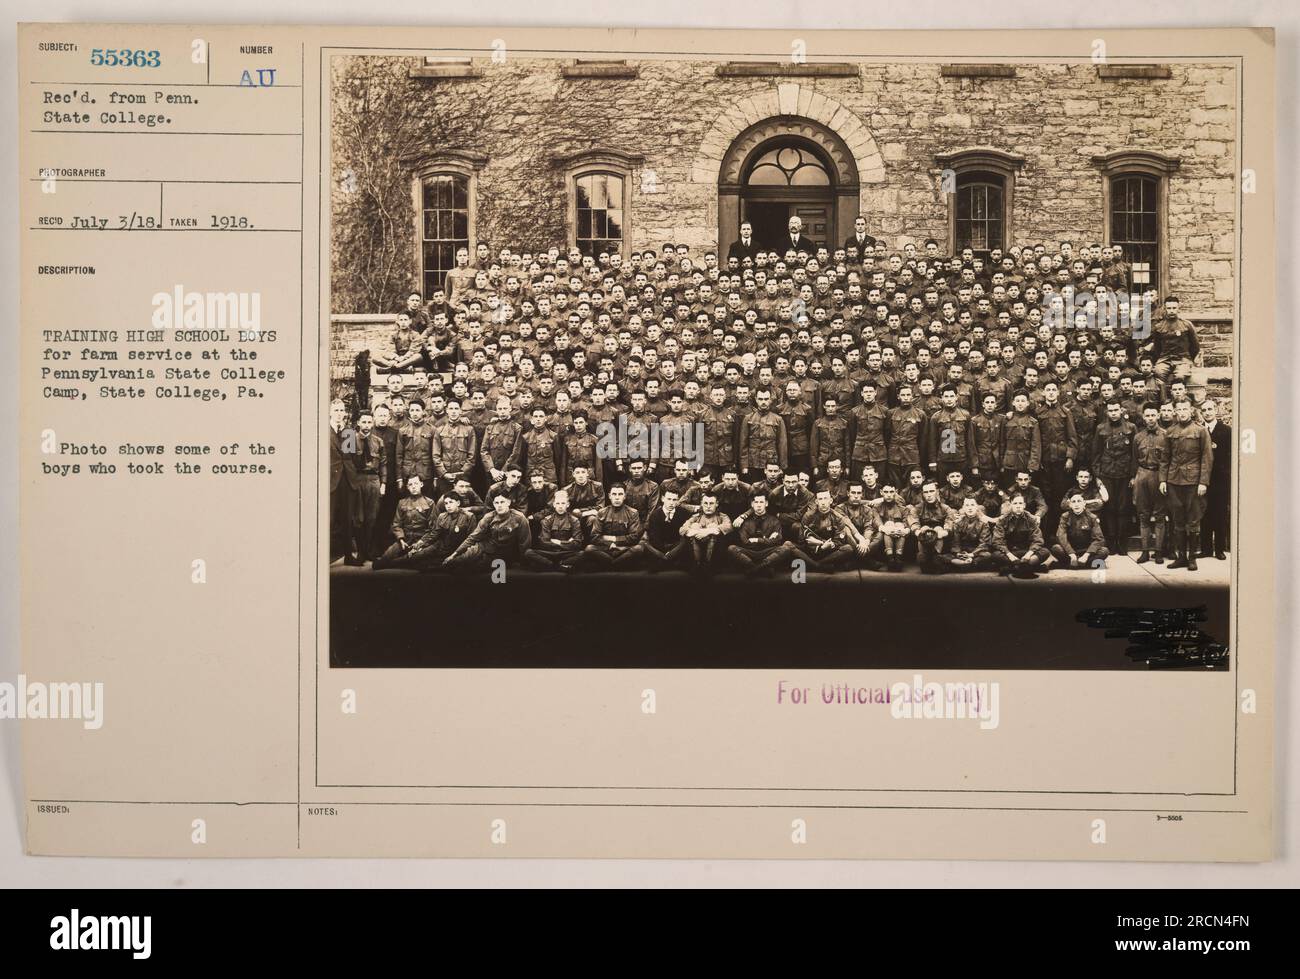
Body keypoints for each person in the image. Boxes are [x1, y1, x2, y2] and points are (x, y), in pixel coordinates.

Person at [1160, 397, 1213, 571]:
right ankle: (1181, 557)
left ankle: (1192, 558)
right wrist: (1162, 480)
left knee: (1193, 521)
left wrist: (1203, 482)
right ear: (1175, 412)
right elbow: (1165, 458)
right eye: (1179, 409)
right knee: (1178, 521)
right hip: (1174, 481)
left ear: (1191, 410)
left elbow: (1207, 459)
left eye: (1185, 409)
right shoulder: (1170, 431)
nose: (1182, 413)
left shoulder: (1201, 431)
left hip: (1193, 482)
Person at [444, 490, 535, 572]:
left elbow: (525, 542)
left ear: (508, 502)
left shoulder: (519, 517)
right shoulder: (489, 516)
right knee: (455, 562)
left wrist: (523, 562)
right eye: (496, 503)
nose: (499, 505)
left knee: (472, 569)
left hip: (502, 553)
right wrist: (454, 554)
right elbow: (473, 537)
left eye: (502, 502)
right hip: (483, 547)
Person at [1091, 400, 1138, 556]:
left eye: (1116, 410)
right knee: (1109, 508)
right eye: (1110, 410)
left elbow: (1134, 454)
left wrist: (1133, 475)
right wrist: (1097, 476)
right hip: (1107, 473)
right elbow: (1096, 453)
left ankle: (1122, 541)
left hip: (1124, 474)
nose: (1113, 413)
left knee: (1124, 508)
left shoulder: (1131, 428)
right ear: (1107, 412)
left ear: (1121, 410)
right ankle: (1111, 541)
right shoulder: (1100, 429)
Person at [372, 475, 436, 570]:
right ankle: (403, 561)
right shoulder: (402, 503)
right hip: (405, 539)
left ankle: (396, 563)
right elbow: (396, 524)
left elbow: (433, 528)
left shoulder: (430, 503)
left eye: (416, 484)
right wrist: (401, 540)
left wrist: (421, 542)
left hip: (422, 540)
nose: (413, 487)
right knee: (381, 561)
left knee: (420, 559)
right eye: (410, 484)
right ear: (407, 487)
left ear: (421, 484)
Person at [1199, 398, 1231, 560]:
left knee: (1219, 514)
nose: (1207, 413)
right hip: (1203, 480)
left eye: (1210, 409)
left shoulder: (1226, 431)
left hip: (1220, 480)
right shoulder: (1199, 430)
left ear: (1216, 410)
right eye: (1204, 410)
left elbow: (1231, 457)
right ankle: (1205, 549)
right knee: (1204, 513)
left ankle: (1219, 549)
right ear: (1201, 413)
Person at [992, 492, 1050, 578]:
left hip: (1026, 551)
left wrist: (1029, 554)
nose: (1018, 506)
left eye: (1020, 503)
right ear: (1011, 505)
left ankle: (1012, 567)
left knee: (1045, 552)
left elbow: (1038, 540)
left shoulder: (1031, 519)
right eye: (1015, 503)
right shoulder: (1003, 519)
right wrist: (1010, 555)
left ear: (1024, 505)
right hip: (1010, 551)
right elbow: (997, 541)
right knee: (995, 555)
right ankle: (1031, 567)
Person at [1050, 492, 1109, 570]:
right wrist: (1071, 554)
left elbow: (1099, 539)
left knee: (1104, 551)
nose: (1076, 504)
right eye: (1073, 502)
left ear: (1084, 504)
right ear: (1070, 505)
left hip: (1086, 549)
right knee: (1056, 548)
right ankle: (1087, 564)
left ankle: (1066, 564)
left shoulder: (1092, 517)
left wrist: (1086, 555)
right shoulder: (1065, 517)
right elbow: (1061, 536)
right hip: (1069, 549)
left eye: (1079, 501)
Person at [680, 492, 733, 574]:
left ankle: (708, 565)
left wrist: (708, 531)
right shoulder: (696, 517)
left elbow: (729, 527)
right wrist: (695, 531)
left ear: (717, 504)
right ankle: (697, 564)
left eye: (711, 503)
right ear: (701, 504)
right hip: (697, 549)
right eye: (705, 503)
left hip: (715, 554)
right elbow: (682, 529)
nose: (708, 506)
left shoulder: (722, 516)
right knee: (695, 526)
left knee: (713, 528)